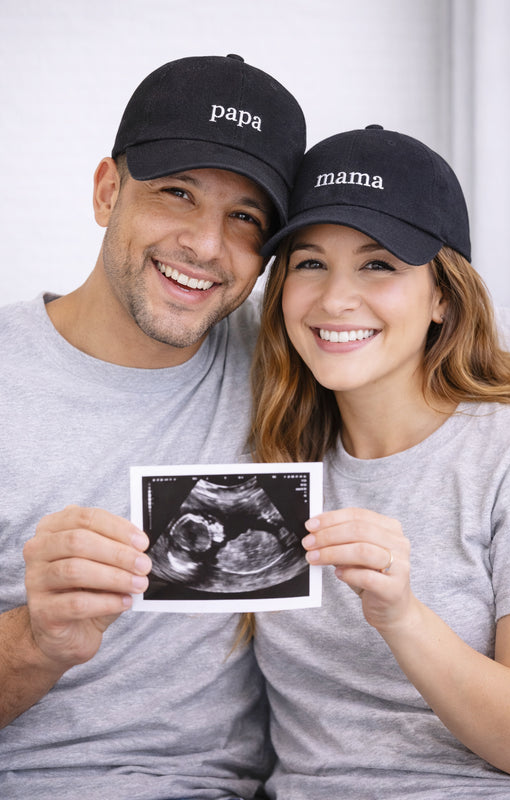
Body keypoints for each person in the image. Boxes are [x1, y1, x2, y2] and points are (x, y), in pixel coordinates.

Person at [0, 54, 305, 799]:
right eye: (177, 193)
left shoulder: (297, 358)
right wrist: (37, 641)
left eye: (245, 218)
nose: (204, 245)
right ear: (108, 191)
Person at [250, 125, 510, 798]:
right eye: (308, 262)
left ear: (442, 296)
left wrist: (400, 615)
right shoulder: (271, 455)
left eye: (378, 264)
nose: (334, 300)